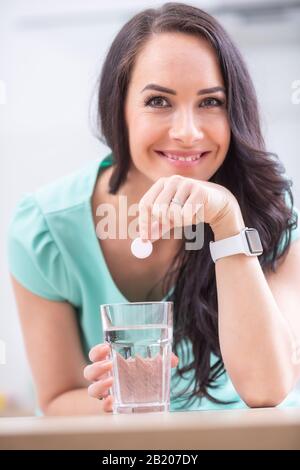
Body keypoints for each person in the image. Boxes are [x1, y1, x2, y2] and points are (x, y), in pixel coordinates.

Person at [7, 2, 300, 415]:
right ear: (119, 108)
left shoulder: (268, 208)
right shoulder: (46, 228)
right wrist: (124, 401)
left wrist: (227, 222)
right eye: (159, 102)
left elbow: (267, 388)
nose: (187, 132)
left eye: (211, 102)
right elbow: (56, 399)